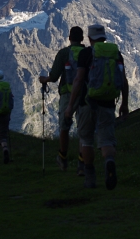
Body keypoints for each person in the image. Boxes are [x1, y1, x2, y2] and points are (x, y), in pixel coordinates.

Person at [65, 24, 128, 190]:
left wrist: (70, 105)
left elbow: (78, 80)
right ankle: (109, 162)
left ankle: (90, 177)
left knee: (86, 140)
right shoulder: (116, 54)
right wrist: (124, 104)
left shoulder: (86, 53)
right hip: (107, 103)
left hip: (87, 103)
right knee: (106, 140)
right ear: (104, 37)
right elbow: (123, 80)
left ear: (90, 38)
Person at [39, 26, 86, 175]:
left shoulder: (64, 53)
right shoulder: (88, 53)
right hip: (85, 93)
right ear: (82, 38)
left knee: (64, 126)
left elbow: (54, 77)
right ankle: (81, 163)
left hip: (67, 93)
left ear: (69, 38)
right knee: (82, 129)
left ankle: (63, 157)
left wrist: (44, 80)